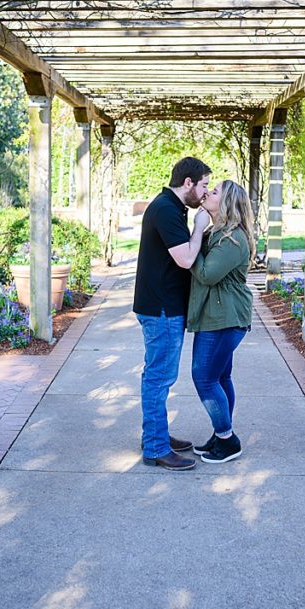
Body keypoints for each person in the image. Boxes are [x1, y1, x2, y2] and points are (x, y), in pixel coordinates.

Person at [133, 156, 212, 471]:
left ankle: (156, 434)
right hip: (162, 310)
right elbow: (185, 259)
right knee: (159, 377)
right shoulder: (166, 210)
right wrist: (200, 227)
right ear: (189, 183)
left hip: (161, 306)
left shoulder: (171, 206)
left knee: (157, 375)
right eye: (204, 185)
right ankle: (155, 448)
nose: (205, 193)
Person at [187, 180, 255, 464]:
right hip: (219, 316)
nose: (208, 193)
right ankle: (221, 434)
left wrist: (195, 235)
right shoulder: (220, 233)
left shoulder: (232, 240)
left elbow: (206, 274)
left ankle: (227, 440)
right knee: (221, 377)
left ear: (226, 203)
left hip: (224, 319)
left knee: (204, 378)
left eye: (214, 192)